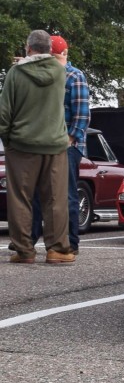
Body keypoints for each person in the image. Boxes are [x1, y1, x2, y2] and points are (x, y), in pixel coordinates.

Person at [0, 30, 74, 264]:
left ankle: (24, 251)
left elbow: (4, 112)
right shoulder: (61, 72)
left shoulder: (16, 72)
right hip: (54, 144)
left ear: (28, 47)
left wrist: (8, 139)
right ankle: (57, 250)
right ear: (49, 49)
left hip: (22, 145)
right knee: (55, 198)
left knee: (21, 198)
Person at [24, 35, 91, 256]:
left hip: (67, 145)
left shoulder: (75, 76)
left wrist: (69, 141)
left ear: (64, 54)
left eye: (54, 56)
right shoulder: (40, 75)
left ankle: (70, 242)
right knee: (35, 194)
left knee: (66, 194)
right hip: (42, 143)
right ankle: (28, 243)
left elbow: (82, 115)